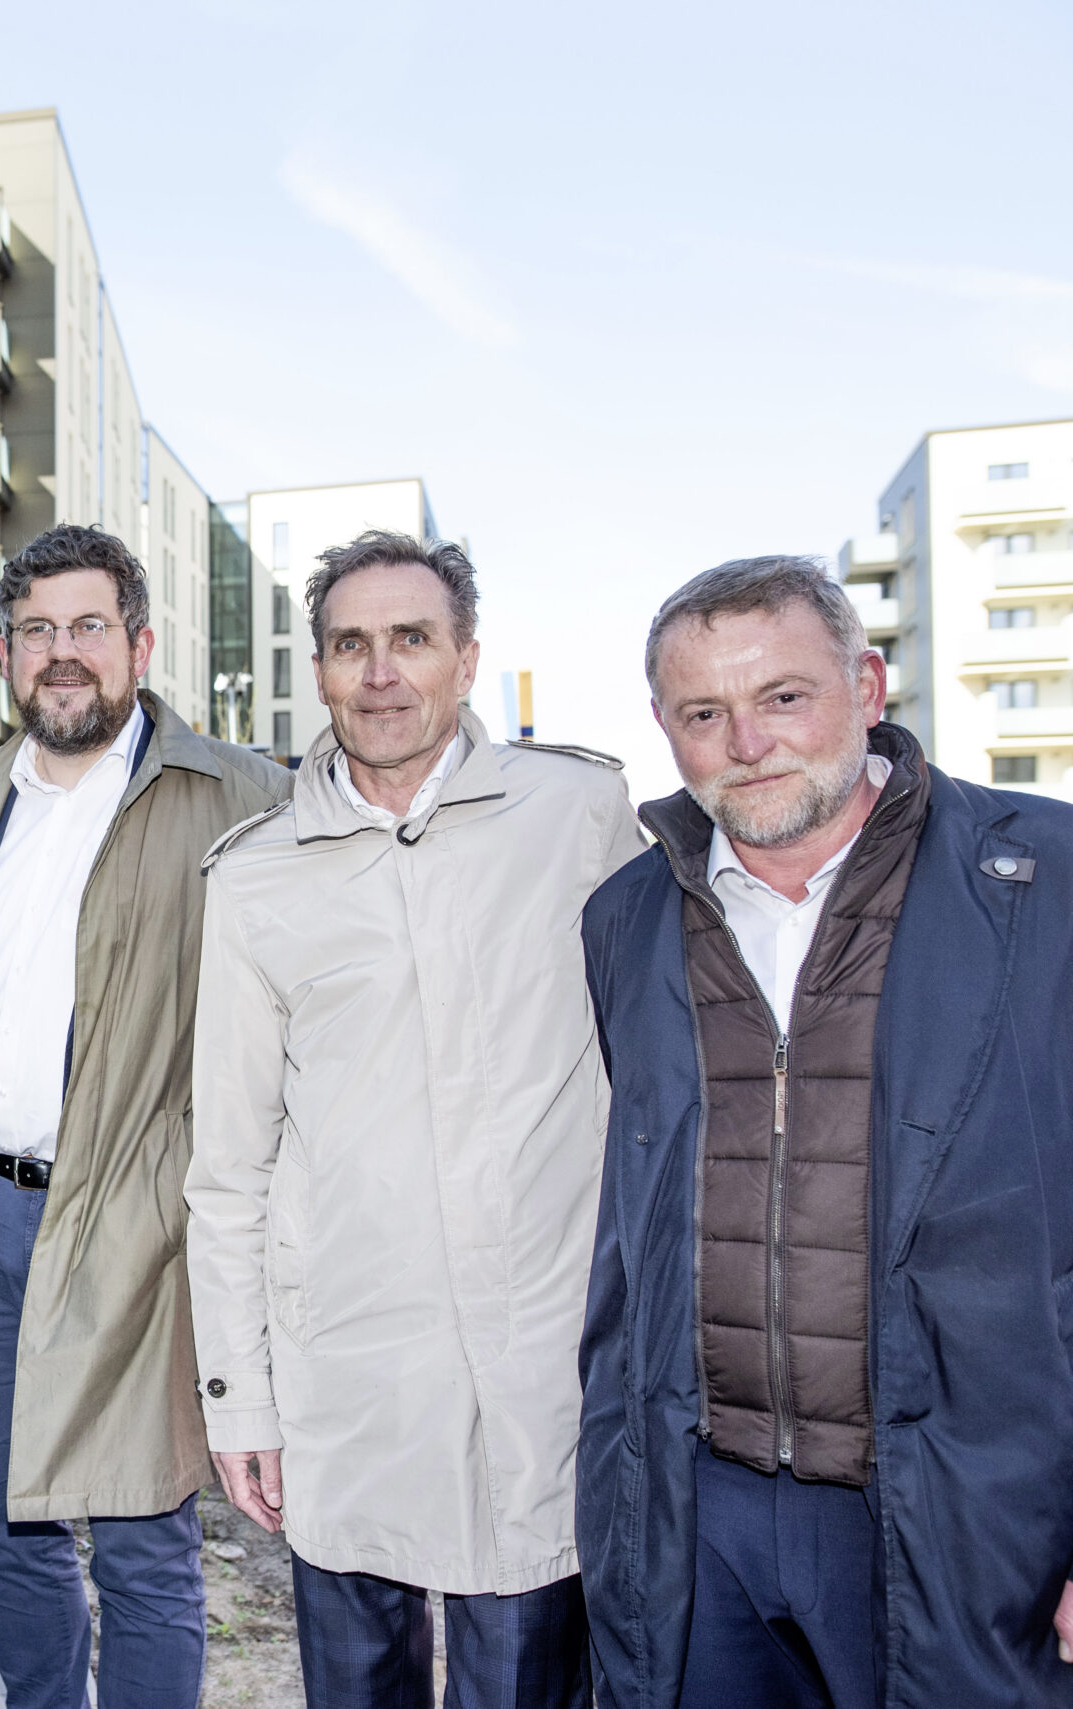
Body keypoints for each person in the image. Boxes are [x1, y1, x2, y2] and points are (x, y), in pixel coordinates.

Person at [578, 557, 1073, 1709]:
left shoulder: (1046, 880)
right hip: (701, 1515)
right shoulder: (627, 917)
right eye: (704, 713)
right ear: (665, 728)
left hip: (967, 1511)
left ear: (865, 681)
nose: (745, 740)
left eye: (783, 696)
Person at [186, 531, 642, 1708]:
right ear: (319, 670)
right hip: (351, 1385)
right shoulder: (253, 876)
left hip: (538, 1384)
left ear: (466, 657)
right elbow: (227, 1165)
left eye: (411, 639)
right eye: (350, 644)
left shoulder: (578, 814)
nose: (380, 672)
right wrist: (239, 1393)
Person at [0, 523, 290, 1707]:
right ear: (4, 652)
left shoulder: (240, 794)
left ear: (138, 641)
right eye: (36, 631)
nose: (60, 653)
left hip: (143, 1219)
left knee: (141, 1537)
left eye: (86, 627)